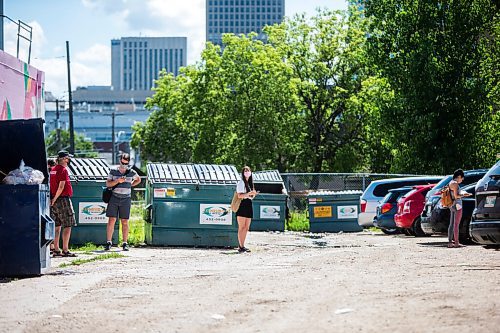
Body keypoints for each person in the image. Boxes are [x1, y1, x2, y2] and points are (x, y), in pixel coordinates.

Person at [104, 153, 140, 251]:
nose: (124, 165)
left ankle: (125, 243)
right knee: (111, 219)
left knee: (124, 221)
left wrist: (131, 185)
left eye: (126, 164)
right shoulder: (113, 171)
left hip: (126, 199)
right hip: (114, 197)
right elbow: (107, 183)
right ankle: (108, 242)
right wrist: (117, 181)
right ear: (120, 160)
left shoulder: (131, 172)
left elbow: (138, 179)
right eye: (123, 163)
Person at [49, 150, 77, 257]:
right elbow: (61, 187)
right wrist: (55, 199)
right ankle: (65, 250)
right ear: (63, 159)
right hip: (62, 199)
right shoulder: (63, 170)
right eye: (67, 158)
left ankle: (56, 249)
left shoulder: (53, 170)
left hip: (54, 200)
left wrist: (52, 200)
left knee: (57, 225)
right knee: (68, 224)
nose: (68, 160)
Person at [235, 166, 258, 253]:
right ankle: (240, 246)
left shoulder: (250, 183)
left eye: (248, 170)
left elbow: (251, 197)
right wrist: (248, 194)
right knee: (241, 227)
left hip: (249, 204)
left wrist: (253, 194)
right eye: (245, 171)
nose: (247, 172)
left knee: (246, 227)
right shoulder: (241, 183)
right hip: (242, 204)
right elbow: (240, 195)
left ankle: (243, 245)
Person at [448, 169, 471, 248]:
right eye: (462, 178)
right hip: (457, 205)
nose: (462, 179)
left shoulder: (450, 183)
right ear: (459, 177)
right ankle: (457, 242)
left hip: (451, 205)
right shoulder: (455, 184)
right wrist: (465, 195)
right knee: (456, 224)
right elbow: (456, 196)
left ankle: (450, 242)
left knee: (451, 224)